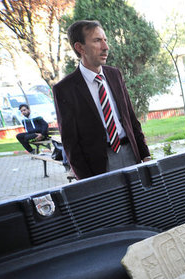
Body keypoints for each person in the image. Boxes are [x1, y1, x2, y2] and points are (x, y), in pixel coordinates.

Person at [53, 20, 151, 180]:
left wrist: (145, 155)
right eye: (97, 40)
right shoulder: (65, 89)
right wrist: (86, 180)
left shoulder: (115, 75)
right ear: (80, 47)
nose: (105, 47)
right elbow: (70, 142)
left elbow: (131, 119)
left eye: (105, 40)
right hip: (99, 164)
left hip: (131, 154)